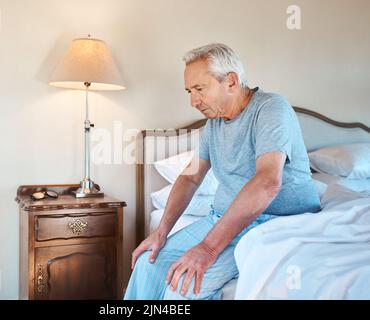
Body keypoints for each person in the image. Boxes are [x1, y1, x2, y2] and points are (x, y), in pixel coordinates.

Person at [124, 43, 321, 300]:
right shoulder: (213, 124)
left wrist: (207, 248)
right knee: (148, 263)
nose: (193, 101)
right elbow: (191, 177)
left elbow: (267, 183)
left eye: (199, 89)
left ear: (231, 81)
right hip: (219, 218)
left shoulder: (271, 108)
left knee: (182, 285)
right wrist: (160, 233)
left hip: (272, 222)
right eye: (189, 91)